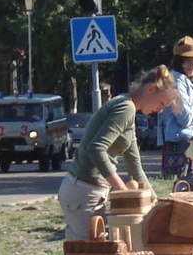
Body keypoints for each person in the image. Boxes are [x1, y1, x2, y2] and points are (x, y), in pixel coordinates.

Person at [58, 66, 180, 240]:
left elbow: (135, 168)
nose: (160, 110)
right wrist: (123, 191)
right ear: (151, 89)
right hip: (83, 191)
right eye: (161, 103)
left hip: (90, 191)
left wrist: (155, 202)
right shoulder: (125, 107)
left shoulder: (129, 110)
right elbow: (96, 148)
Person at [159, 36, 193, 182]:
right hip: (181, 146)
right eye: (187, 60)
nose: (192, 65)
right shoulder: (177, 81)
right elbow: (185, 118)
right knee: (184, 189)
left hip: (182, 145)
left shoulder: (181, 80)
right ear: (179, 61)